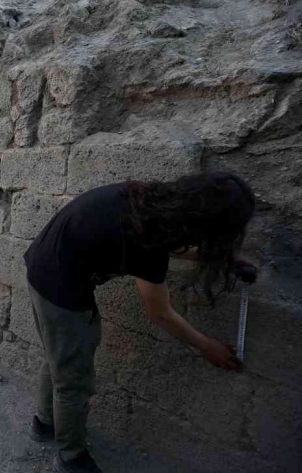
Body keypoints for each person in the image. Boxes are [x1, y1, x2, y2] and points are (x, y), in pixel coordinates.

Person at [23, 172, 257, 473]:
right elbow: (159, 313)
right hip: (58, 283)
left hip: (45, 261)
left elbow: (176, 248)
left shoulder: (151, 201)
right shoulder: (149, 238)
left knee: (60, 353)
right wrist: (206, 346)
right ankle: (71, 457)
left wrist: (224, 259)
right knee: (74, 376)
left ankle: (44, 423)